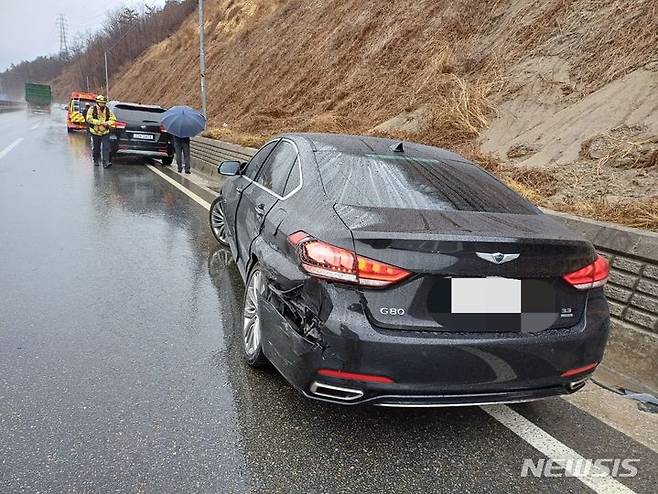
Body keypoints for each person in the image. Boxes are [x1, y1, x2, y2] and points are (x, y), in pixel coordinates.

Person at [86, 95, 116, 168]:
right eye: (101, 103)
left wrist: (108, 123)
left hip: (105, 132)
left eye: (103, 103)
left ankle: (106, 162)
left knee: (106, 147)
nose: (102, 104)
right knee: (96, 147)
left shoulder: (108, 110)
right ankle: (96, 159)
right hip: (95, 132)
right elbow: (88, 118)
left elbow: (113, 119)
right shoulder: (92, 109)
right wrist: (99, 122)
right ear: (97, 102)